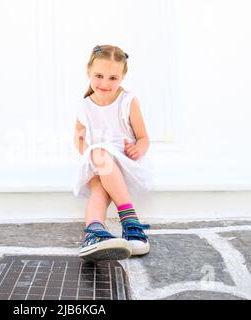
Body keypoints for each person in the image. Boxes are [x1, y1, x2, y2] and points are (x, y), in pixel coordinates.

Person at [73, 45, 154, 262]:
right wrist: (88, 156)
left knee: (101, 157)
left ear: (123, 77)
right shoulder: (85, 105)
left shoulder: (128, 102)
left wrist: (138, 148)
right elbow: (79, 138)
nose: (105, 83)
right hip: (99, 160)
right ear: (88, 72)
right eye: (99, 76)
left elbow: (144, 138)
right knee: (98, 184)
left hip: (125, 161)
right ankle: (94, 233)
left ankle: (130, 221)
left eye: (112, 78)